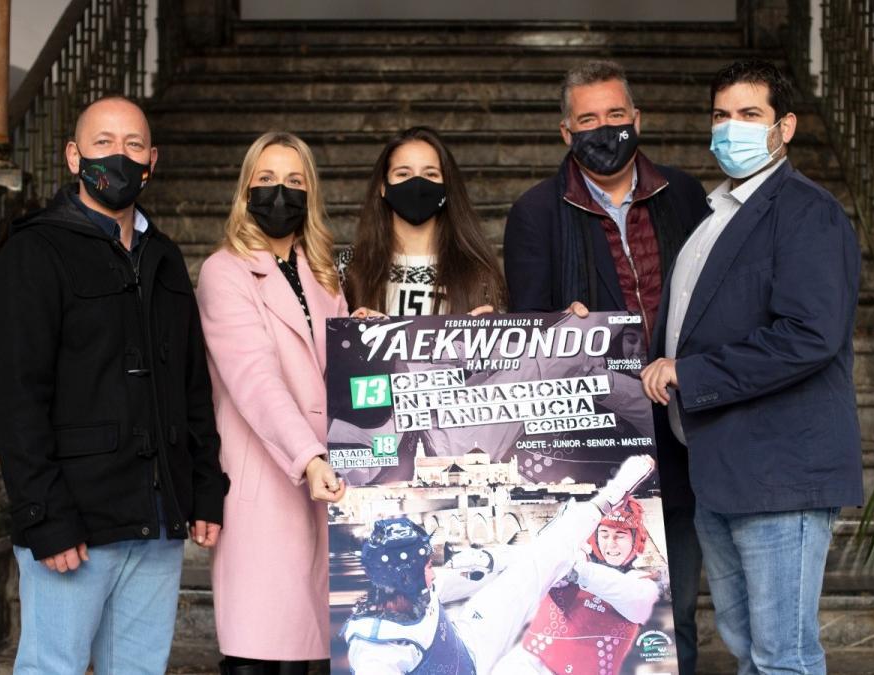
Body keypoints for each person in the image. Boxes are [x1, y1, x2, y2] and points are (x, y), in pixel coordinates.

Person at [0, 96, 227, 675]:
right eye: (103, 143)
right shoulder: (33, 253)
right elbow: (16, 399)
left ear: (152, 161)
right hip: (77, 525)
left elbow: (192, 386)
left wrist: (203, 488)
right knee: (53, 668)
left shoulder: (164, 257)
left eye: (134, 145)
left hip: (157, 520)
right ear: (73, 156)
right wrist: (45, 516)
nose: (119, 156)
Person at [640, 59, 863, 675]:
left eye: (749, 115)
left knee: (782, 656)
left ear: (784, 127)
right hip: (722, 467)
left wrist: (692, 372)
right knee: (747, 647)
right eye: (721, 115)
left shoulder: (805, 213)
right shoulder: (718, 215)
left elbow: (809, 335)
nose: (730, 128)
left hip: (780, 470)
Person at [503, 59, 709, 675]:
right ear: (566, 132)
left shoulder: (684, 195)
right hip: (598, 437)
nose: (605, 129)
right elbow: (529, 333)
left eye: (616, 115)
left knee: (680, 609)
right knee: (584, 606)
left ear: (637, 119)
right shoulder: (536, 213)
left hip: (686, 429)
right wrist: (562, 329)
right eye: (588, 119)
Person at [196, 132, 358, 675]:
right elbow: (255, 380)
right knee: (258, 654)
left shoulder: (325, 273)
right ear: (245, 191)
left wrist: (368, 338)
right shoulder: (225, 271)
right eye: (265, 180)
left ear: (310, 194)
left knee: (307, 657)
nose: (279, 193)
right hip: (268, 484)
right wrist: (308, 456)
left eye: (294, 181)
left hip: (324, 484)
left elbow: (337, 370)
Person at [342, 454, 656, 674]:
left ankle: (607, 499)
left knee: (535, 562)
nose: (432, 568)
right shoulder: (376, 649)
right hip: (471, 662)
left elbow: (447, 582)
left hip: (467, 642)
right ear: (406, 577)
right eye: (425, 564)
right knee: (536, 565)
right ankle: (558, 556)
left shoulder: (406, 593)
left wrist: (489, 560)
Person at [339, 126, 505, 316]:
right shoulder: (351, 265)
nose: (417, 184)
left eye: (431, 174)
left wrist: (487, 335)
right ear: (383, 187)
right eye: (403, 174)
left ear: (446, 186)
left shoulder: (477, 270)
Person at [494, 496, 662, 674]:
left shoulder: (642, 584)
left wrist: (577, 572)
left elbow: (632, 598)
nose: (611, 544)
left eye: (620, 536)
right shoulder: (577, 559)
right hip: (527, 665)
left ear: (636, 540)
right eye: (604, 535)